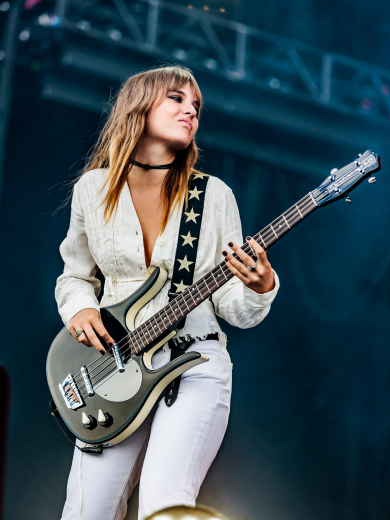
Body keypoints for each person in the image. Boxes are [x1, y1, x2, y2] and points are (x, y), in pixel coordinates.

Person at [55, 65, 280, 520]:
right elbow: (75, 276)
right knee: (85, 511)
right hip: (112, 369)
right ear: (140, 106)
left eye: (196, 105)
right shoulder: (93, 190)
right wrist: (79, 308)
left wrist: (260, 286)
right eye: (177, 99)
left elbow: (231, 305)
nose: (190, 111)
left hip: (193, 365)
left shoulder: (212, 196)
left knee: (165, 504)